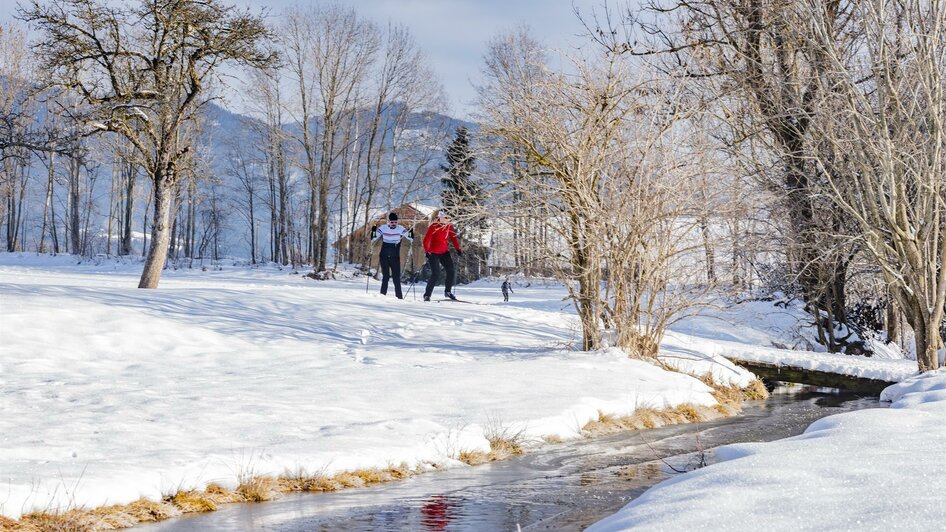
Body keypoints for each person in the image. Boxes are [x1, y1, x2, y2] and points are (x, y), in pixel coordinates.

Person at [422, 210, 462, 301]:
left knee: (451, 271)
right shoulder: (434, 226)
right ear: (440, 217)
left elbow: (453, 238)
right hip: (433, 253)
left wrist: (458, 249)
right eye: (446, 217)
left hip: (444, 252)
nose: (448, 219)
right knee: (436, 274)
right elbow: (426, 240)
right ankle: (427, 295)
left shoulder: (449, 226)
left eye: (449, 218)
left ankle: (448, 292)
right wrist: (427, 251)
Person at [373, 211, 413, 299]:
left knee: (396, 278)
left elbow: (410, 237)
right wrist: (373, 228)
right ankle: (382, 296)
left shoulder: (400, 228)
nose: (394, 224)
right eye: (392, 222)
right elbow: (373, 237)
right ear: (388, 222)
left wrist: (410, 229)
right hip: (384, 256)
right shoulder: (383, 228)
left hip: (395, 257)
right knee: (385, 277)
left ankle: (399, 298)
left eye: (395, 222)